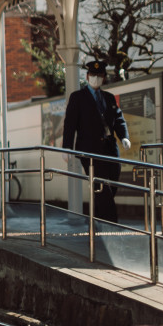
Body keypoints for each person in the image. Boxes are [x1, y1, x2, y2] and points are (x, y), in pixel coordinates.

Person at [62, 60, 130, 222]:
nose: (95, 79)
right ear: (87, 76)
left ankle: (97, 219)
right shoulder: (78, 97)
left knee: (112, 182)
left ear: (104, 78)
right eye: (92, 75)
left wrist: (124, 137)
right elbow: (70, 124)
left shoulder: (109, 98)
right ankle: (111, 224)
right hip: (89, 150)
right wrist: (67, 147)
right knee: (101, 188)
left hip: (110, 148)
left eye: (99, 76)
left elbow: (119, 119)